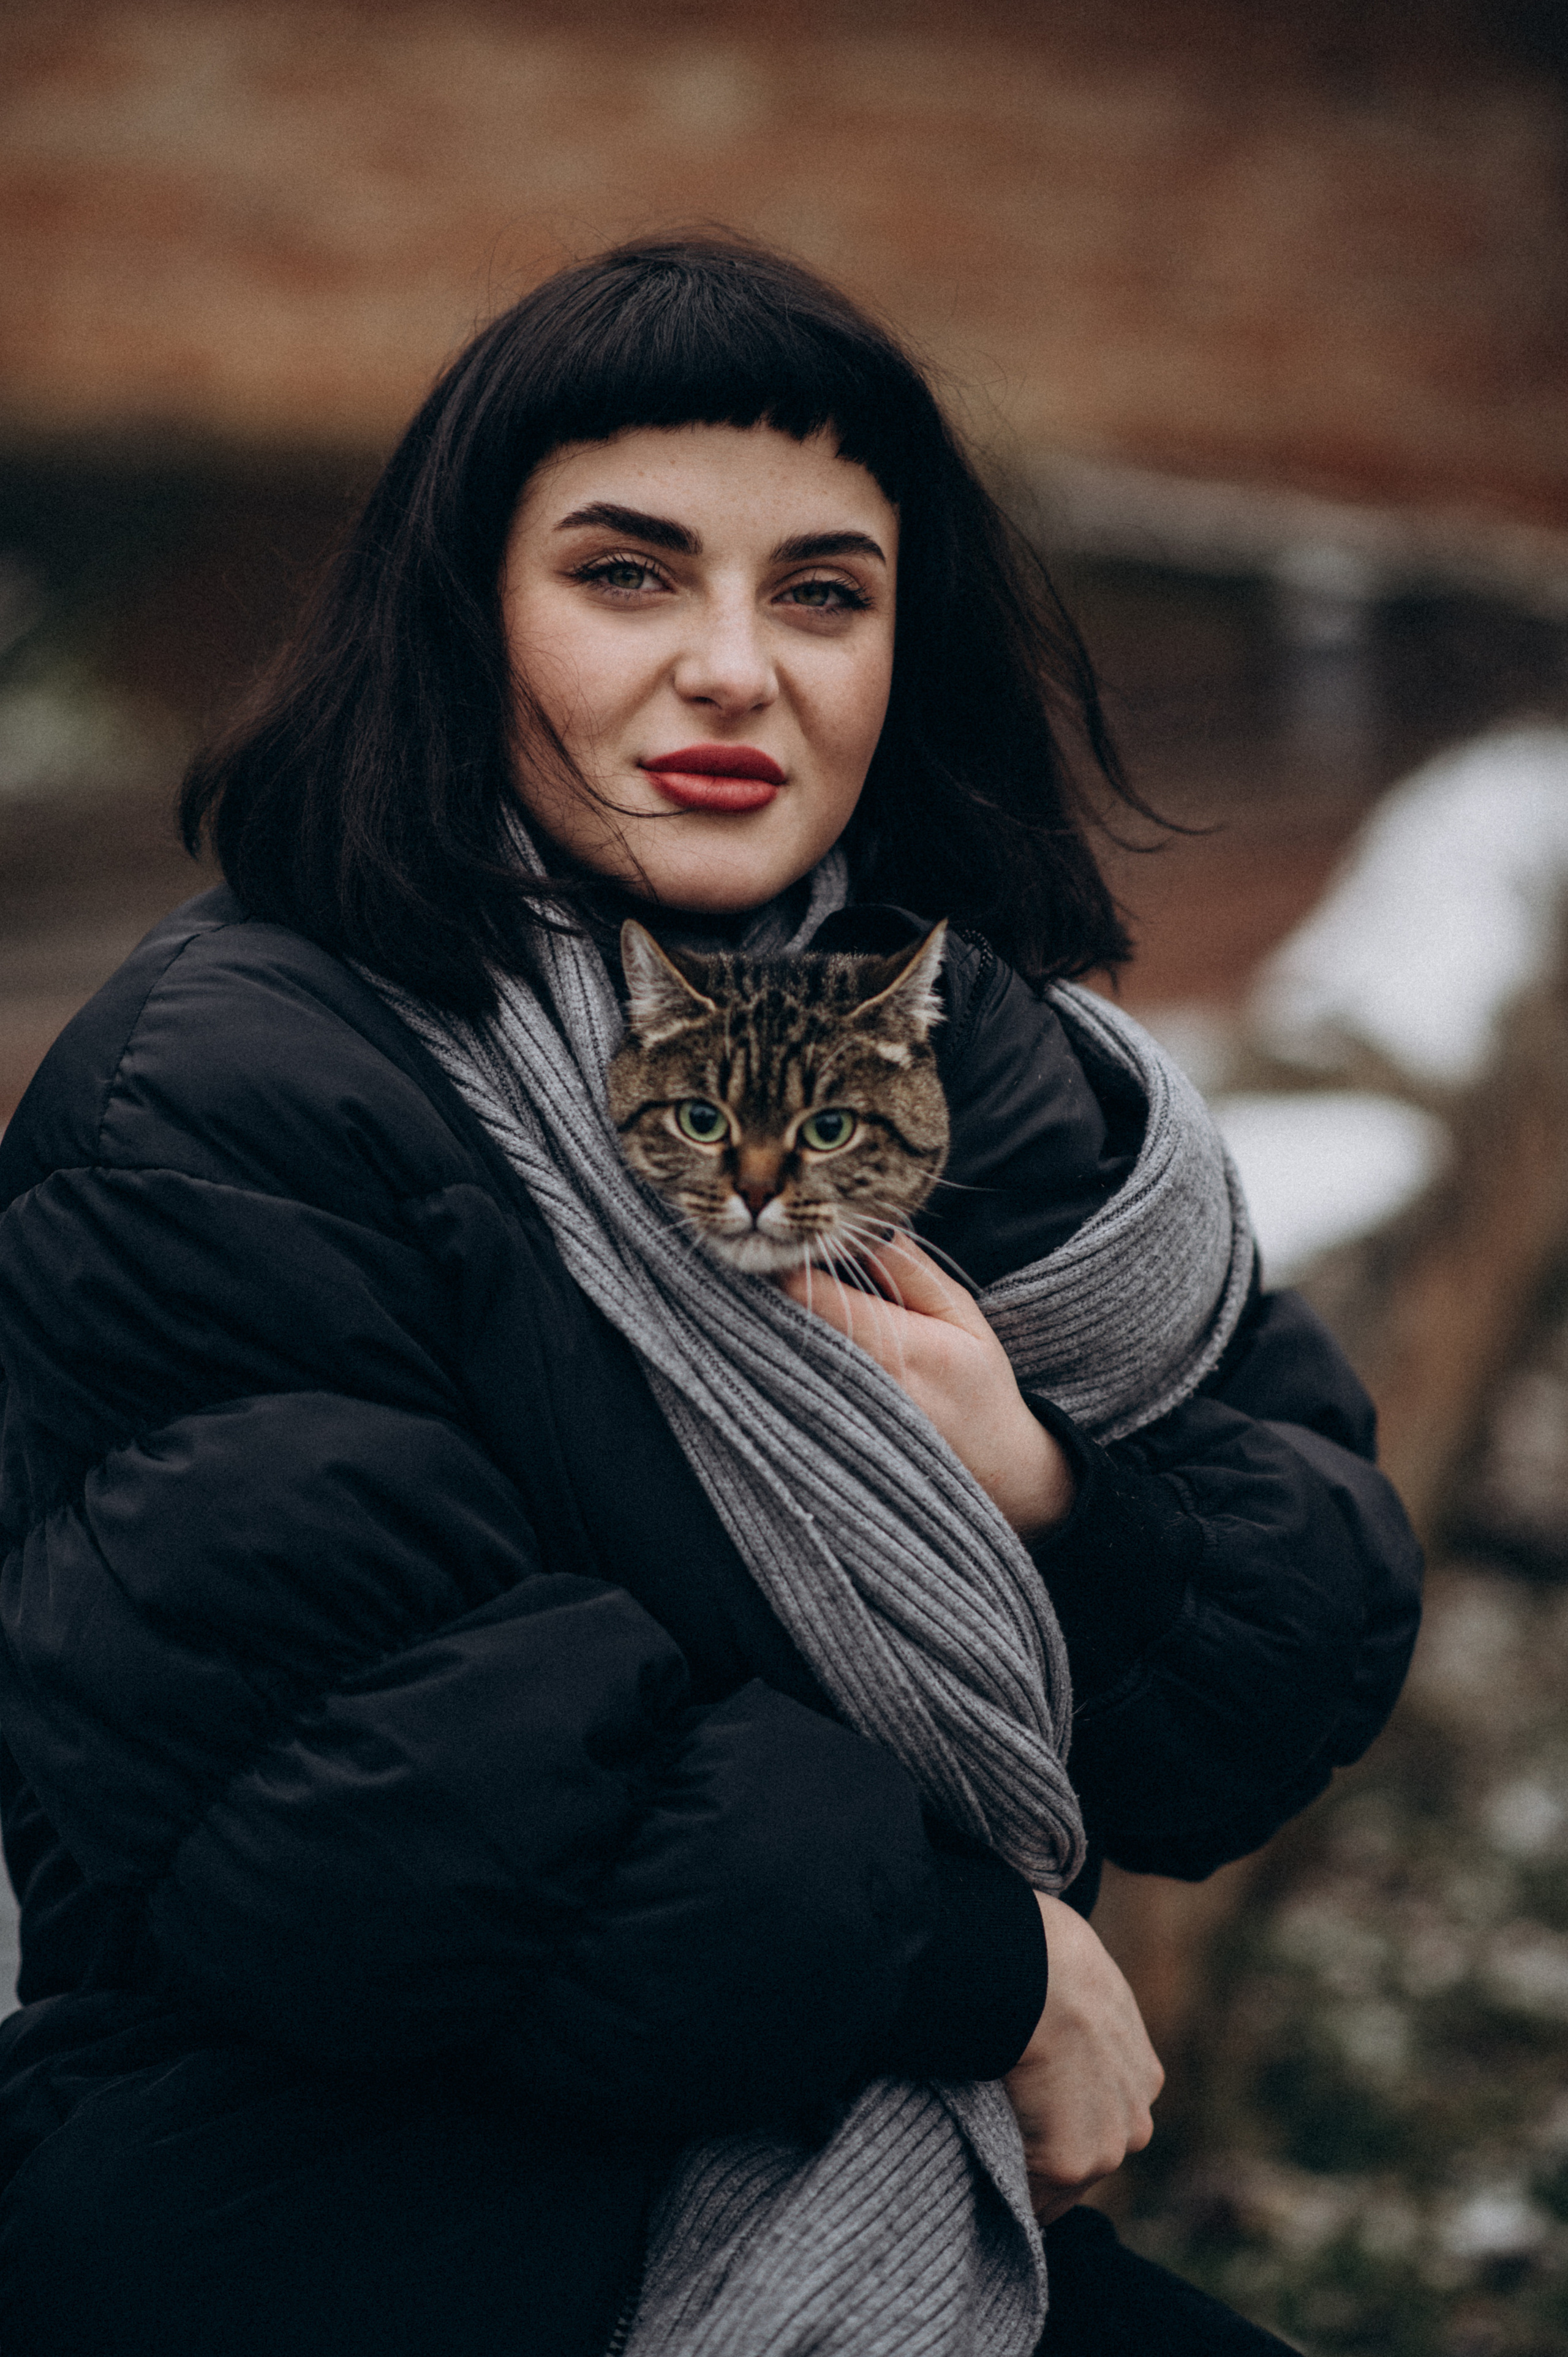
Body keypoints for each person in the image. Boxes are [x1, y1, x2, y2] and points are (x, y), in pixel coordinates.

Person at [0, 237, 1420, 2356]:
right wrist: (993, 1972)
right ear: (466, 611)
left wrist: (1041, 1487)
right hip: (348, 2219)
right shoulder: (227, 1088)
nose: (739, 669)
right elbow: (372, 1811)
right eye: (632, 575)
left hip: (855, 2152)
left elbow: (1289, 1635)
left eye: (824, 592)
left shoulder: (973, 1042)